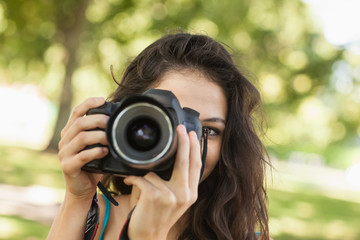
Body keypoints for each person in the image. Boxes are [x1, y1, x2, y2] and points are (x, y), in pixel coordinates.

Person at [47, 31, 270, 240]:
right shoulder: (92, 219)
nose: (184, 143)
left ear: (228, 143)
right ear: (122, 120)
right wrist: (77, 198)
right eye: (166, 123)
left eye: (208, 131)